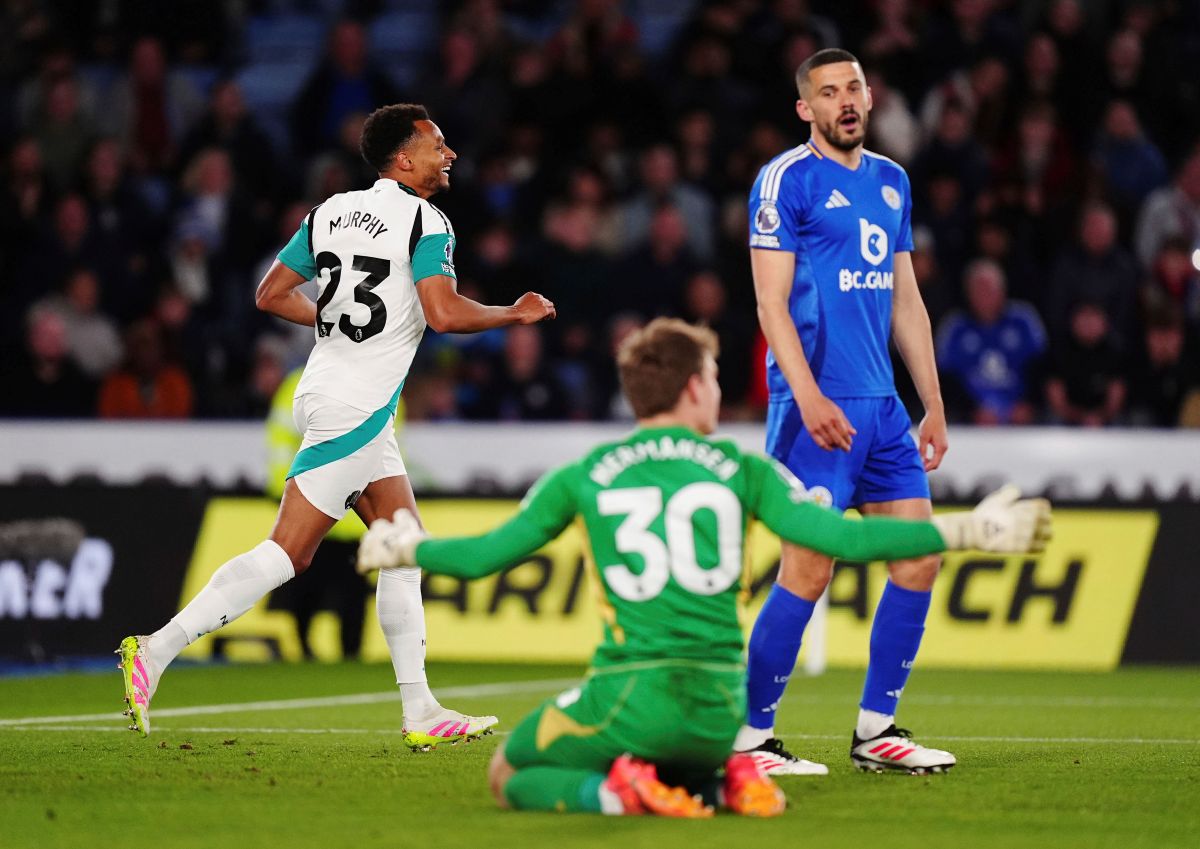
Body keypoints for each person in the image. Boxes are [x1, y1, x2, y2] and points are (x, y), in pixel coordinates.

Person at [354, 318, 1050, 816]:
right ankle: (720, 780)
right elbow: (850, 539)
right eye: (714, 377)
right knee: (686, 732)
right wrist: (968, 529)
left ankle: (618, 794)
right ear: (691, 389)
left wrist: (408, 546)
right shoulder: (743, 469)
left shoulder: (586, 473)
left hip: (635, 698)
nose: (719, 389)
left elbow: (486, 556)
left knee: (510, 769)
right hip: (723, 712)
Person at [117, 104, 556, 750]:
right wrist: (511, 314)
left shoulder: (329, 212)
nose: (451, 155)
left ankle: (421, 708)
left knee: (402, 544)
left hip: (336, 388)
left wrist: (339, 321)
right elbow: (442, 313)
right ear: (403, 159)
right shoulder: (425, 220)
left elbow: (269, 294)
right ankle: (156, 649)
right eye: (438, 144)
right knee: (288, 553)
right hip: (358, 404)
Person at [742, 48, 952, 775]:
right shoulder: (784, 181)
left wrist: (930, 402)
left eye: (855, 87)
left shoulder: (893, 182)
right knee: (808, 568)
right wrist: (806, 394)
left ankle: (876, 730)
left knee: (919, 557)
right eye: (829, 92)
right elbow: (770, 302)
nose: (847, 101)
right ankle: (751, 740)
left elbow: (908, 302)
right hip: (815, 407)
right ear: (806, 108)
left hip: (884, 409)